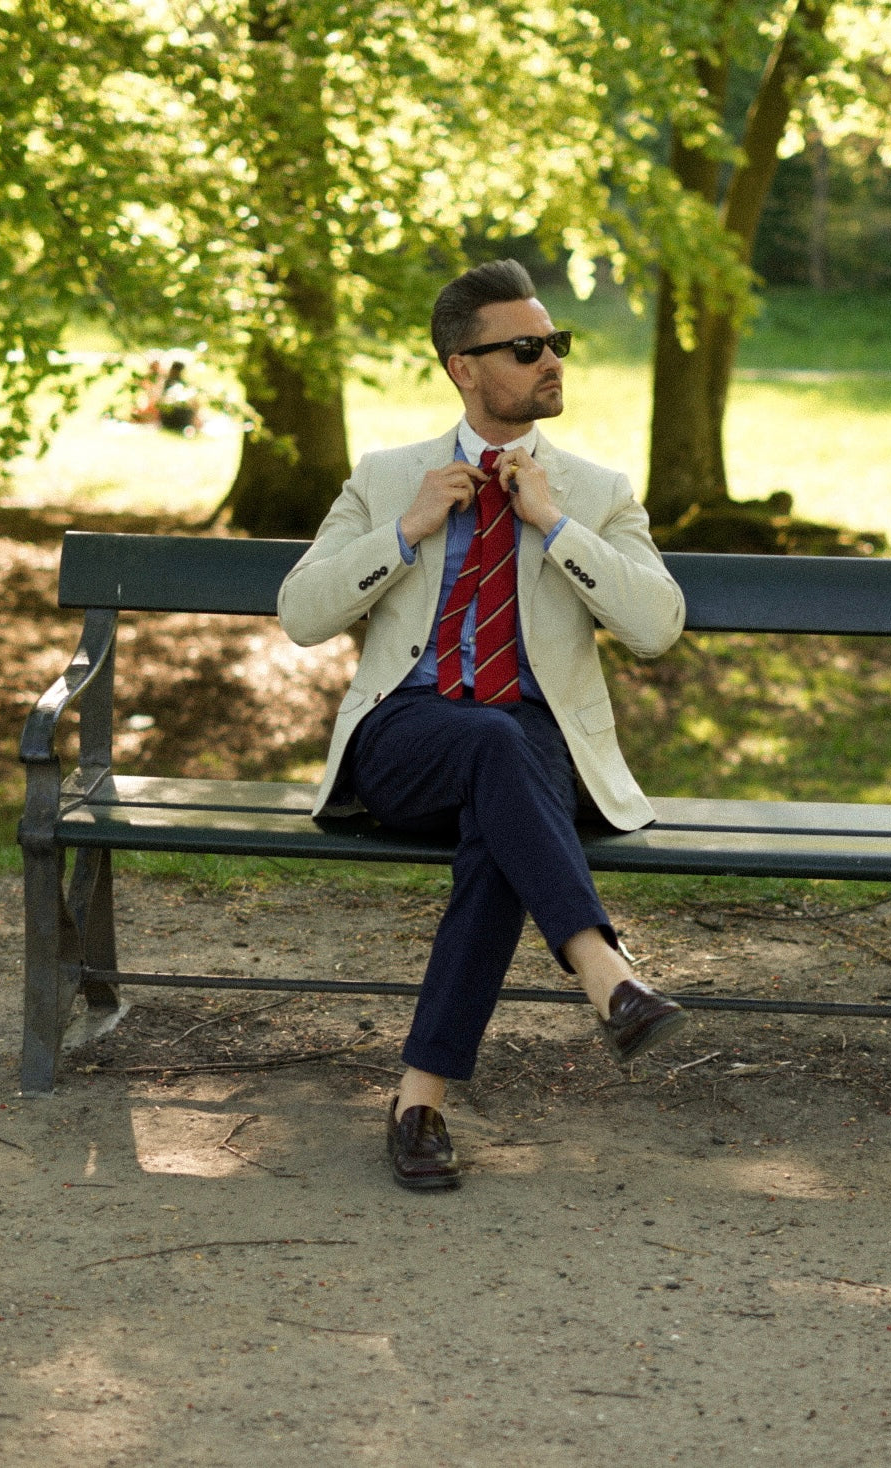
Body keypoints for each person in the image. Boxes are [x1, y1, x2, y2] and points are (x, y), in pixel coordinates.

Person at [277, 259, 687, 1191]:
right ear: (465, 368)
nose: (551, 361)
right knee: (493, 758)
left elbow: (657, 627)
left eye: (555, 345)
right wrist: (405, 532)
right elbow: (301, 614)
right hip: (407, 735)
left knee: (500, 805)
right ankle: (605, 974)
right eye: (525, 347)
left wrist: (554, 525)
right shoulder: (388, 479)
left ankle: (419, 1100)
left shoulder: (594, 488)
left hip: (537, 738)